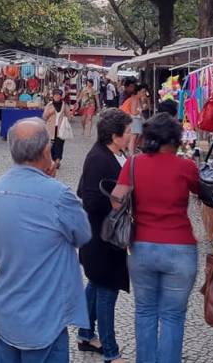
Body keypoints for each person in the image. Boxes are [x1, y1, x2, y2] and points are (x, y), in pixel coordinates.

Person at [0, 117, 91, 362]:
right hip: (45, 313)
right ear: (46, 150)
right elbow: (83, 233)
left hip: (8, 307)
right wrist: (51, 183)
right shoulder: (57, 195)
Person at [112, 113, 201, 363]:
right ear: (174, 139)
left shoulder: (133, 164)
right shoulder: (186, 167)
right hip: (180, 248)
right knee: (173, 316)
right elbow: (202, 191)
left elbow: (116, 200)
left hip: (142, 247)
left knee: (145, 312)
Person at [76, 109, 133, 362]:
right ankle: (110, 351)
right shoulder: (99, 158)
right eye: (128, 131)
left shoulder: (114, 154)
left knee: (96, 285)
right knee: (107, 291)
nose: (131, 135)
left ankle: (86, 334)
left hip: (102, 237)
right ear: (114, 135)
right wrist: (118, 202)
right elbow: (88, 197)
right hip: (102, 237)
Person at [43, 88, 72, 171]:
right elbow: (44, 117)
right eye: (55, 95)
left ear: (61, 96)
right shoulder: (49, 105)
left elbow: (68, 116)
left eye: (58, 95)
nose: (57, 96)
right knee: (51, 146)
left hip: (60, 129)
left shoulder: (64, 105)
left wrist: (67, 118)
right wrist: (50, 112)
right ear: (53, 96)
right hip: (51, 128)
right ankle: (52, 161)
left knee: (59, 145)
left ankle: (57, 160)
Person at [120, 85, 144, 150]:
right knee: (133, 136)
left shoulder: (136, 98)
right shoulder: (135, 99)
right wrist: (140, 110)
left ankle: (127, 149)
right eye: (142, 92)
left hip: (130, 118)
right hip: (132, 118)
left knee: (132, 135)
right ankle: (130, 152)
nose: (144, 93)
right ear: (138, 92)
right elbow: (134, 112)